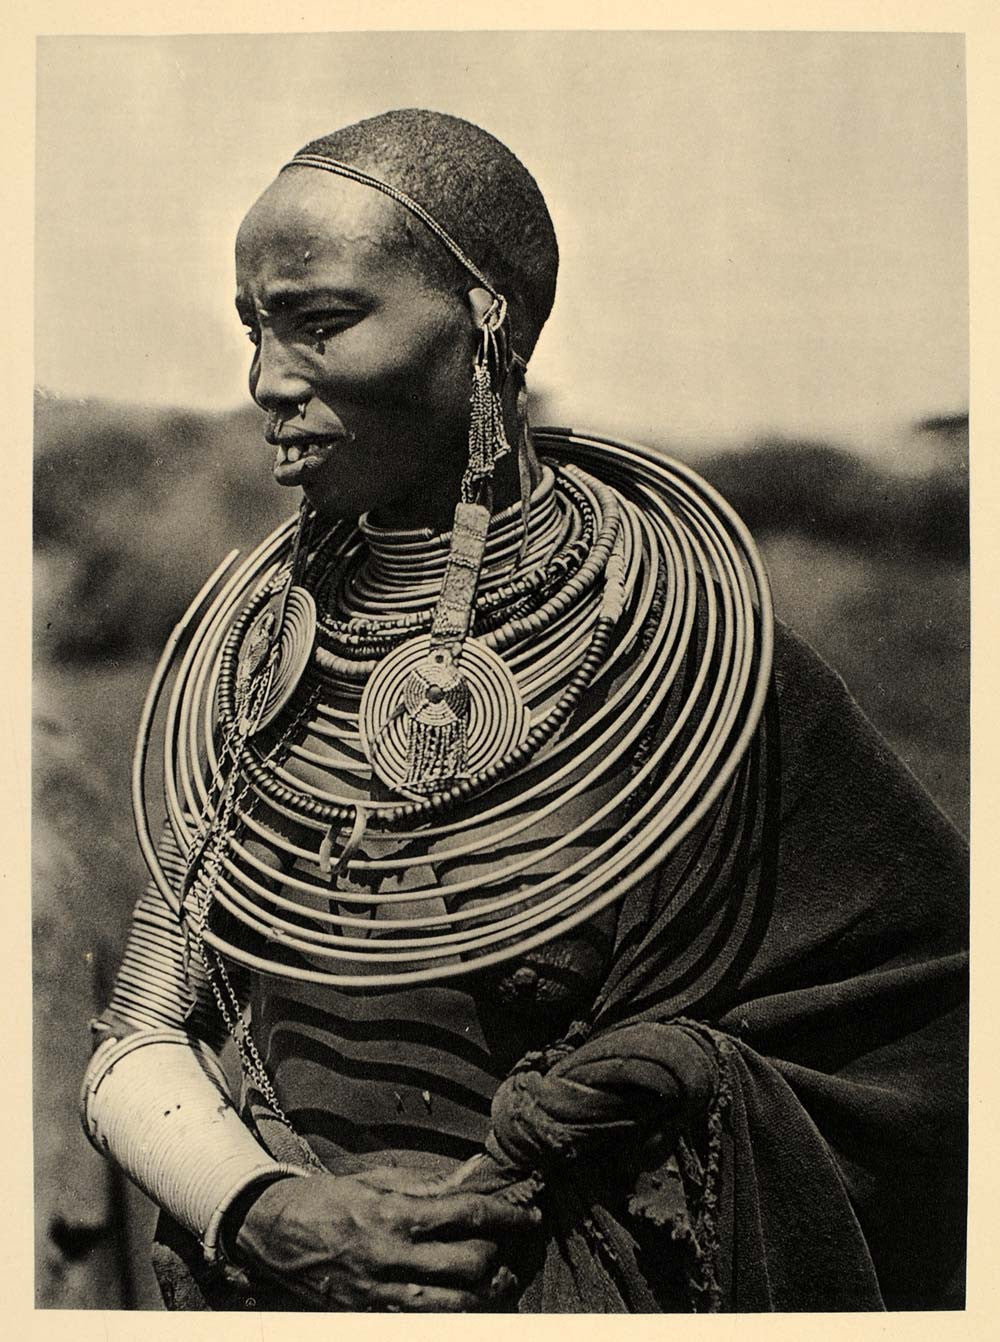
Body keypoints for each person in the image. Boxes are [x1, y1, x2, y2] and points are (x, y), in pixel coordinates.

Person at [81, 109, 968, 1313]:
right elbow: (138, 1032)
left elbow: (924, 1031)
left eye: (321, 321)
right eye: (255, 328)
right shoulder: (256, 669)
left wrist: (647, 1091)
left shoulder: (699, 672)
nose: (266, 381)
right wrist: (263, 1208)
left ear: (486, 322)